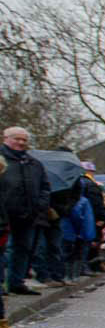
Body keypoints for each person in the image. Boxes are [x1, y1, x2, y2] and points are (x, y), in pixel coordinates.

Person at [1, 126, 50, 296]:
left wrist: (40, 205)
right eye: (17, 138)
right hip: (4, 214)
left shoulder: (34, 163)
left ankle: (16, 282)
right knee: (4, 249)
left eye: (24, 140)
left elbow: (45, 187)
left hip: (28, 215)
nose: (21, 142)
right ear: (6, 138)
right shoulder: (1, 160)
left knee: (23, 249)